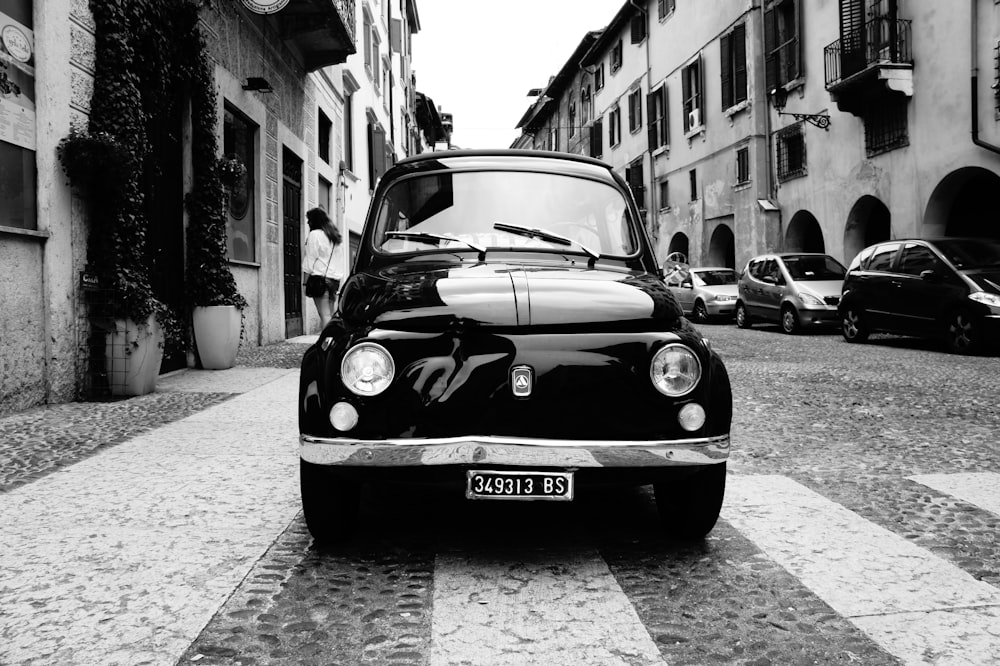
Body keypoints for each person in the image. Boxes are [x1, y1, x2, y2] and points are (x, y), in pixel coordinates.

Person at [301, 207, 344, 328]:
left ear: (315, 220)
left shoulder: (314, 235)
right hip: (334, 281)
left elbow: (309, 261)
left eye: (309, 219)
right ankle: (329, 342)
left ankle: (327, 344)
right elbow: (339, 261)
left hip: (319, 280)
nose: (308, 222)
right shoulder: (335, 237)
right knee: (330, 315)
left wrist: (304, 284)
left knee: (324, 315)